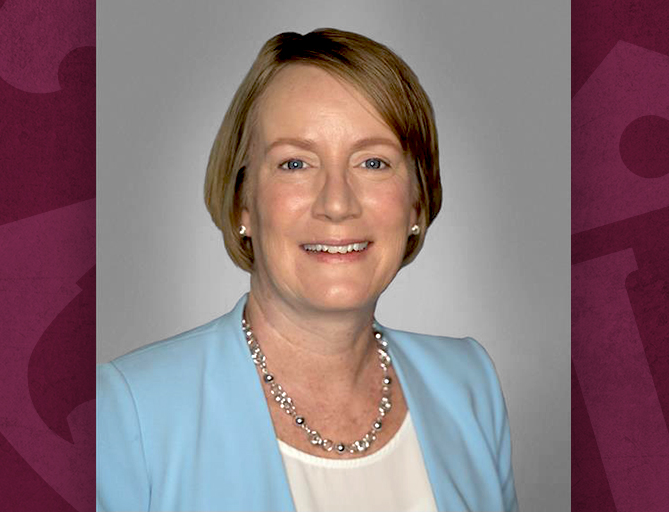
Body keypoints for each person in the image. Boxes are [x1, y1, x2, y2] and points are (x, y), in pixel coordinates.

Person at [97, 28, 518, 512]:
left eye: (373, 162)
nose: (337, 203)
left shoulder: (469, 383)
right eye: (295, 164)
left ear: (417, 201)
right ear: (243, 203)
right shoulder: (129, 410)